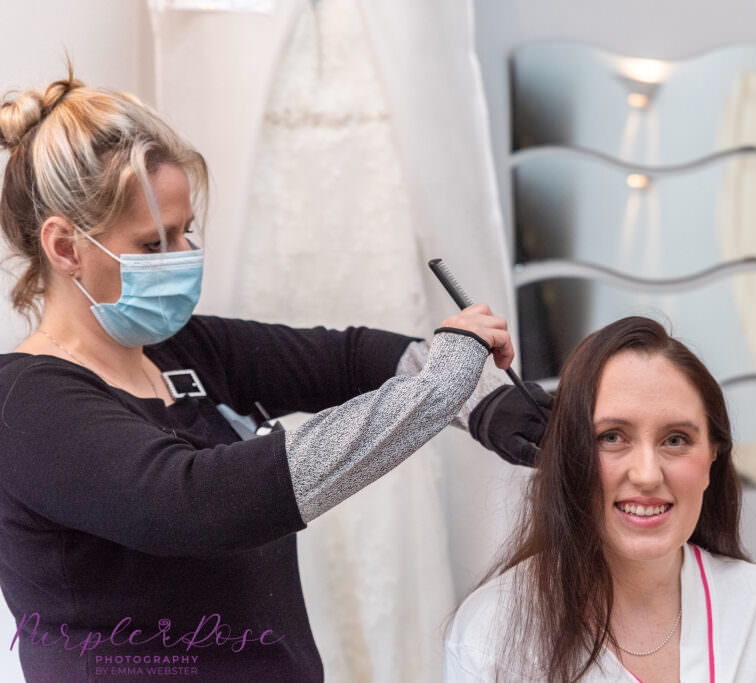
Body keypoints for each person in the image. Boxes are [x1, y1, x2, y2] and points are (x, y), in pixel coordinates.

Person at [0, 70, 549, 682]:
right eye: (154, 244)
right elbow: (196, 503)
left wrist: (484, 404)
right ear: (65, 247)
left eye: (187, 233)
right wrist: (435, 390)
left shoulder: (185, 349)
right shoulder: (26, 403)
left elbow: (352, 359)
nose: (183, 258)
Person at [444, 317, 756, 682]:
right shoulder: (491, 630)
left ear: (713, 456)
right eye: (612, 437)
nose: (646, 475)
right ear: (568, 454)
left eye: (676, 439)